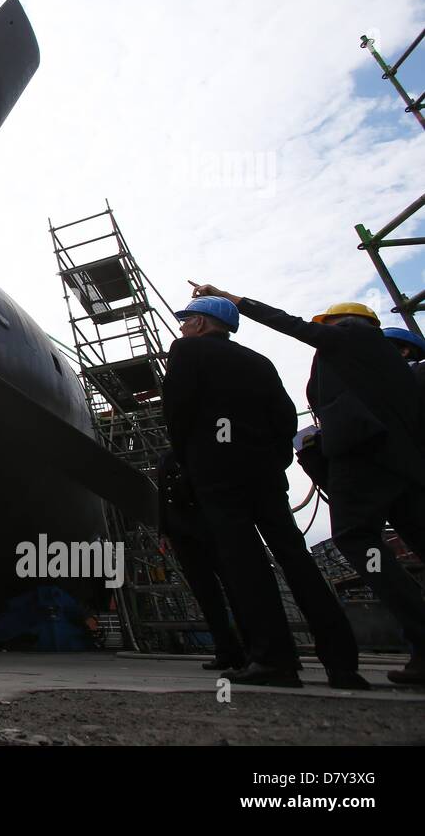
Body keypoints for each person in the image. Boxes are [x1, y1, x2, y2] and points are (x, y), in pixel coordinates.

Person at [191, 285, 425, 686]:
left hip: (364, 463)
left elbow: (294, 327)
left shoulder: (354, 337)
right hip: (402, 468)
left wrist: (236, 301)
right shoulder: (385, 372)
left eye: (331, 324)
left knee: (357, 540)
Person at [163, 295, 366, 689]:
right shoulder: (259, 361)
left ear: (203, 324)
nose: (183, 326)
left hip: (218, 473)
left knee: (245, 563)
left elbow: (179, 412)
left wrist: (191, 464)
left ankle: (274, 660)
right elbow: (285, 418)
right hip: (265, 474)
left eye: (187, 319)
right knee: (295, 558)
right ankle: (342, 663)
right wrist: (272, 462)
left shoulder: (187, 351)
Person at [156, 451, 248, 671]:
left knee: (235, 590)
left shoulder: (200, 452)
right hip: (182, 534)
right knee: (207, 595)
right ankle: (226, 650)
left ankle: (253, 649)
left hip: (210, 527)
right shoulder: (167, 458)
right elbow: (162, 497)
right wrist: (164, 531)